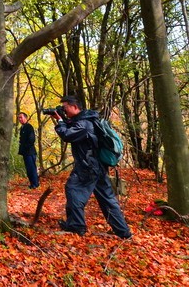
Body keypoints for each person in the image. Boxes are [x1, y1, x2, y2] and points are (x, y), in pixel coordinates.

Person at [53, 95, 132, 239]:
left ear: (75, 107)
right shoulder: (87, 120)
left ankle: (76, 226)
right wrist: (62, 120)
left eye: (65, 108)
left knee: (73, 190)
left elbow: (67, 135)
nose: (64, 111)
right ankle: (123, 232)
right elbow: (72, 128)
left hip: (88, 168)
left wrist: (59, 121)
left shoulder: (84, 124)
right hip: (97, 166)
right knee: (107, 198)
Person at [18, 112, 39, 189]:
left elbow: (32, 139)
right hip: (25, 152)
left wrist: (25, 147)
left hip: (30, 152)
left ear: (25, 118)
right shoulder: (22, 128)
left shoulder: (29, 127)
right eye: (18, 118)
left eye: (21, 117)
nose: (20, 119)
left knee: (32, 168)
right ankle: (32, 183)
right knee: (28, 169)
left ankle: (35, 184)